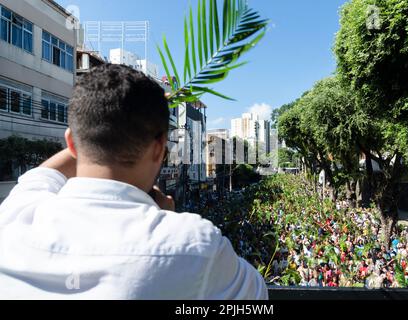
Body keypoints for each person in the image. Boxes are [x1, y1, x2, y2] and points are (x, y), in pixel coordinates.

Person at [0, 64, 268, 300]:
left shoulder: (16, 215)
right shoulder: (194, 246)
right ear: (160, 148)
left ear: (70, 142)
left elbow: (43, 174)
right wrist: (167, 223)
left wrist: (97, 127)